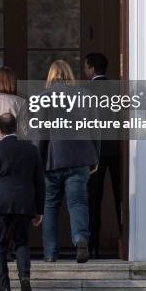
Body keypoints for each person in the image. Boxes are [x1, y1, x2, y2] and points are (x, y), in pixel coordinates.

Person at [0, 113, 44, 291]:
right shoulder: (31, 150)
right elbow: (39, 182)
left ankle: (5, 288)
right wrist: (39, 210)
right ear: (17, 128)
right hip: (25, 203)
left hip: (0, 204)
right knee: (21, 243)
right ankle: (24, 278)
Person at [36, 60, 99, 264]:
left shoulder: (44, 98)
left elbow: (40, 134)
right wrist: (94, 157)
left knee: (50, 206)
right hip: (80, 159)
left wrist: (38, 160)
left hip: (53, 160)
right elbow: (96, 130)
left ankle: (51, 253)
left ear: (51, 75)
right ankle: (80, 238)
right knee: (78, 202)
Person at [84, 52, 121, 259]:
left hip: (94, 152)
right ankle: (125, 240)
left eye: (85, 67)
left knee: (93, 201)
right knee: (120, 197)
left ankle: (92, 247)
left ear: (90, 68)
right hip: (116, 150)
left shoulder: (86, 91)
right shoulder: (117, 89)